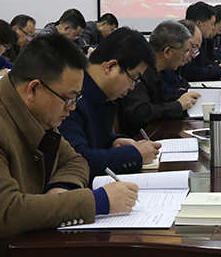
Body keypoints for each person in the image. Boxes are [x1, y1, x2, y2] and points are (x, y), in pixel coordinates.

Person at [0, 33, 138, 256]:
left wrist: (62, 190)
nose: (72, 107)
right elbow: (6, 214)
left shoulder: (34, 110)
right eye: (68, 98)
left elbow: (75, 161)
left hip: (22, 242)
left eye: (76, 99)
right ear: (33, 89)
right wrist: (98, 201)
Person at [59, 27, 162, 179]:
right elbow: (77, 159)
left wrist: (114, 141)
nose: (132, 87)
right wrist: (133, 155)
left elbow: (93, 140)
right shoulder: (72, 95)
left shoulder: (100, 95)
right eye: (133, 78)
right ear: (110, 66)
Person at [118, 21, 200, 136]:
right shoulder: (139, 70)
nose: (187, 57)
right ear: (167, 52)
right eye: (185, 52)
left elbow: (163, 96)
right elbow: (140, 112)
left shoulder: (158, 70)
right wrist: (178, 106)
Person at [180, 2, 221, 81]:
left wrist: (219, 66)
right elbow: (189, 72)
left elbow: (206, 64)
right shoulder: (184, 40)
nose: (213, 28)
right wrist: (219, 69)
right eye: (212, 24)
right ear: (199, 23)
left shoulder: (205, 40)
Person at [159, 19, 202, 94]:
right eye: (193, 47)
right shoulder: (157, 69)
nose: (194, 55)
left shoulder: (174, 66)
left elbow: (182, 82)